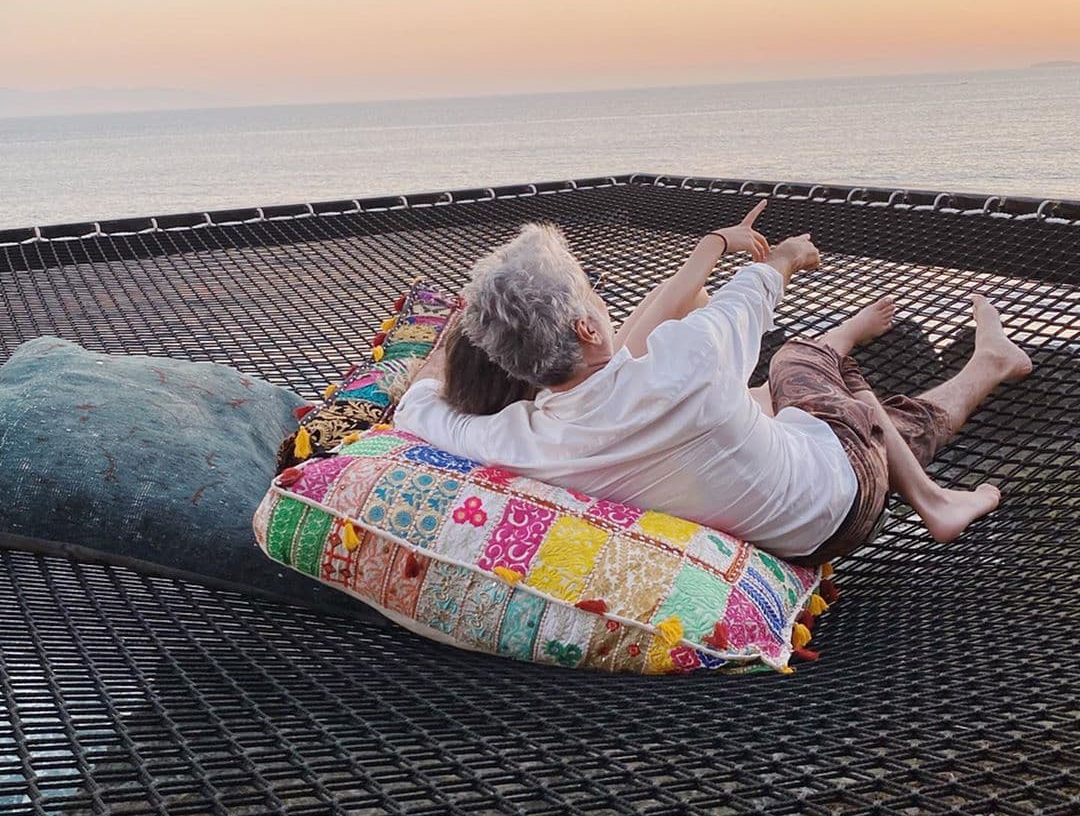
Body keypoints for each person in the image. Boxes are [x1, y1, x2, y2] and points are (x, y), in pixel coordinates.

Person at [394, 204, 1032, 564]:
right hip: (842, 493)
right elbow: (759, 286)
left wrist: (435, 361)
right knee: (796, 362)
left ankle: (891, 365)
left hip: (792, 530)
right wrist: (787, 255)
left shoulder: (523, 440)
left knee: (818, 390)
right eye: (595, 292)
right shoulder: (688, 357)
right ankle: (941, 484)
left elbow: (417, 411)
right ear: (589, 328)